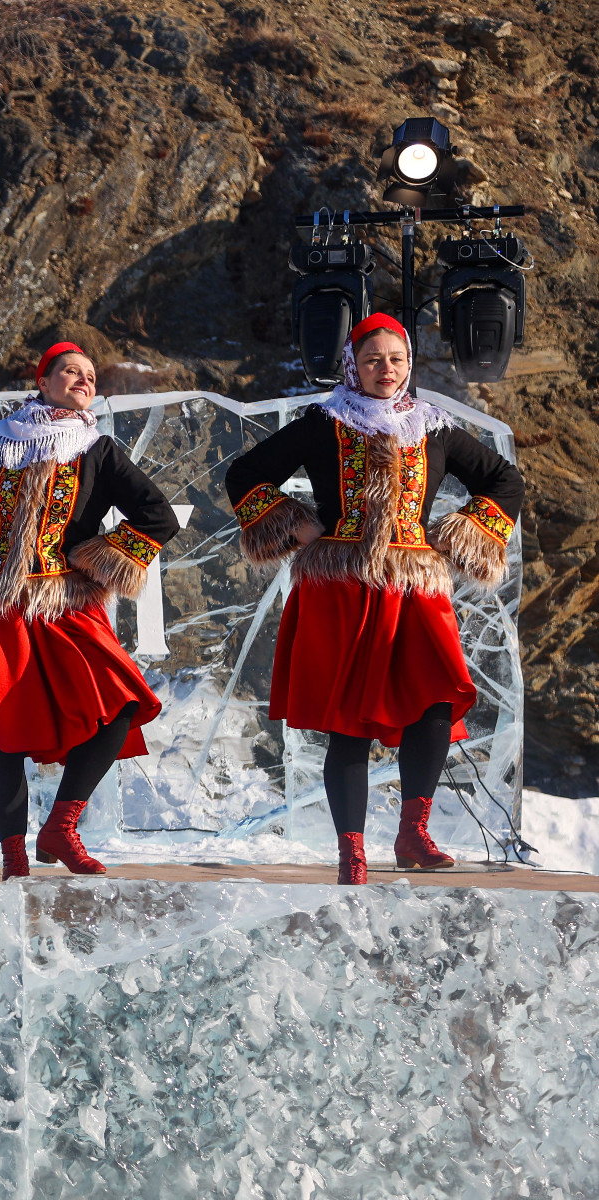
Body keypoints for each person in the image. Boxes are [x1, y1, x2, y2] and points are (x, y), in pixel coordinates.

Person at [225, 312, 525, 884]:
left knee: (437, 702)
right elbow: (245, 475)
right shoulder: (325, 422)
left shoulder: (433, 426)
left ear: (409, 363)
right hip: (343, 591)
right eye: (372, 360)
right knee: (350, 722)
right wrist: (301, 527)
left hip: (414, 590)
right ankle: (352, 853)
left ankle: (414, 833)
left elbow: (505, 481)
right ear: (352, 367)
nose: (385, 369)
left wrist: (455, 536)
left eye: (396, 359)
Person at [0, 342, 179, 879]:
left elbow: (158, 515)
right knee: (7, 737)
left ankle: (61, 827)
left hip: (69, 603)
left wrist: (94, 558)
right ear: (42, 382)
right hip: (1, 605)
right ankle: (14, 860)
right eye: (70, 371)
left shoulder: (98, 450)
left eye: (90, 374)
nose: (83, 379)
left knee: (121, 703)